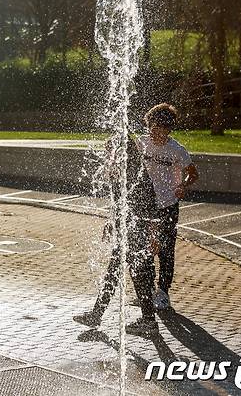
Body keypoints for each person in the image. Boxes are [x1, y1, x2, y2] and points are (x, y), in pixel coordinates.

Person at [74, 137, 160, 337]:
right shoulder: (118, 172)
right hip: (126, 231)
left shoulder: (136, 174)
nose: (108, 155)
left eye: (111, 150)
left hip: (138, 232)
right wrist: (112, 221)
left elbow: (151, 206)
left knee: (139, 275)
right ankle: (98, 314)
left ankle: (147, 321)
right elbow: (120, 203)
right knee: (117, 272)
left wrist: (153, 236)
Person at [138, 103, 199, 311]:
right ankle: (145, 291)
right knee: (144, 248)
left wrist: (183, 184)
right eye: (152, 129)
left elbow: (193, 173)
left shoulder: (177, 150)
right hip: (146, 205)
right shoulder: (141, 143)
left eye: (161, 130)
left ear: (169, 129)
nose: (156, 134)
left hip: (168, 205)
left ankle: (163, 292)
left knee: (165, 250)